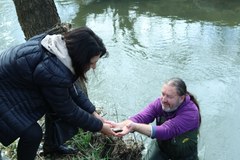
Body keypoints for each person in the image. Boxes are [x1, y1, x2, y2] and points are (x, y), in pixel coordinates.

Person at [0, 26, 116, 160]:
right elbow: (68, 111)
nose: (94, 67)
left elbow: (71, 88)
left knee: (54, 109)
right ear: (81, 57)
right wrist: (100, 127)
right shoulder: (53, 68)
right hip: (4, 93)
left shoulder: (58, 48)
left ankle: (52, 147)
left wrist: (93, 113)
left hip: (10, 86)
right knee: (32, 134)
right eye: (92, 63)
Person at [111, 77, 201, 160]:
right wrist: (120, 125)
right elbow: (141, 117)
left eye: (169, 96)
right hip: (162, 149)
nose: (163, 99)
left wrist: (134, 127)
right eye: (163, 94)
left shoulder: (191, 113)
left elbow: (166, 131)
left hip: (185, 156)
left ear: (181, 98)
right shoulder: (160, 103)